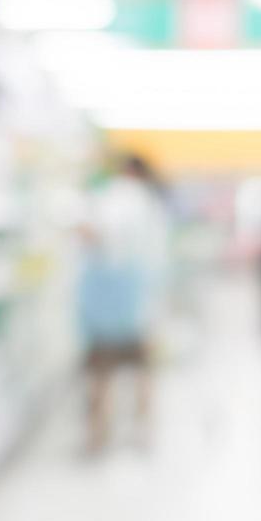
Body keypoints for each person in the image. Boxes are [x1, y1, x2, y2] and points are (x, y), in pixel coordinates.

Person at [78, 154, 170, 453]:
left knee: (101, 372)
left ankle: (98, 436)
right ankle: (144, 432)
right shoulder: (151, 204)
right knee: (143, 370)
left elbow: (94, 232)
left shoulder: (117, 197)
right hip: (141, 304)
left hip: (111, 303)